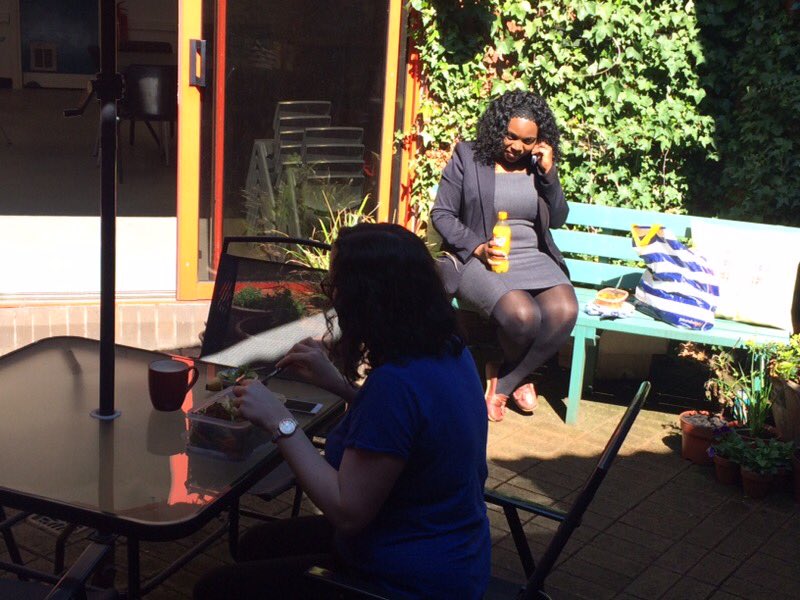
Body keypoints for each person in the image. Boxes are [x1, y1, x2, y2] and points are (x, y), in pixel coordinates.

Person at [193, 223, 491, 600]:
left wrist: (279, 422)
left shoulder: (396, 386)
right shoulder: (449, 349)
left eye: (336, 289)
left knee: (213, 590)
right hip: (451, 550)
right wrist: (340, 387)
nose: (333, 300)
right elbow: (404, 433)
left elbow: (347, 510)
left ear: (368, 301)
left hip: (406, 581)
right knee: (257, 543)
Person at [431, 90, 579, 423]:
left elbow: (557, 218)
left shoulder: (537, 166)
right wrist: (478, 247)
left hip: (532, 255)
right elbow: (441, 214)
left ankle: (504, 381)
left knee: (565, 309)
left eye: (527, 141)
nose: (516, 146)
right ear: (498, 127)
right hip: (480, 257)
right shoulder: (468, 156)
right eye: (511, 136)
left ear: (539, 141)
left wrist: (549, 173)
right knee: (523, 316)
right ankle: (515, 374)